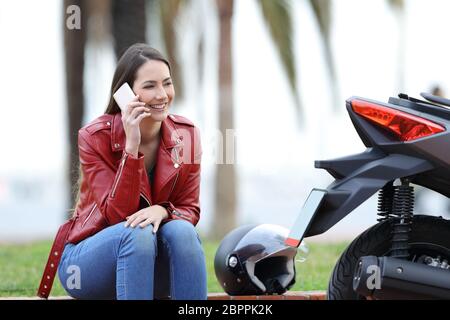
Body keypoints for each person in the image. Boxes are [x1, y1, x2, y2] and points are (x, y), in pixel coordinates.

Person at [39, 43, 207, 300]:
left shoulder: (186, 136)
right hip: (88, 264)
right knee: (137, 233)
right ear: (126, 95)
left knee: (183, 231)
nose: (162, 94)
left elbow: (190, 209)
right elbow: (118, 216)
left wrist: (162, 210)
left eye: (167, 83)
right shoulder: (94, 138)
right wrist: (132, 147)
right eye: (150, 86)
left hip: (149, 265)